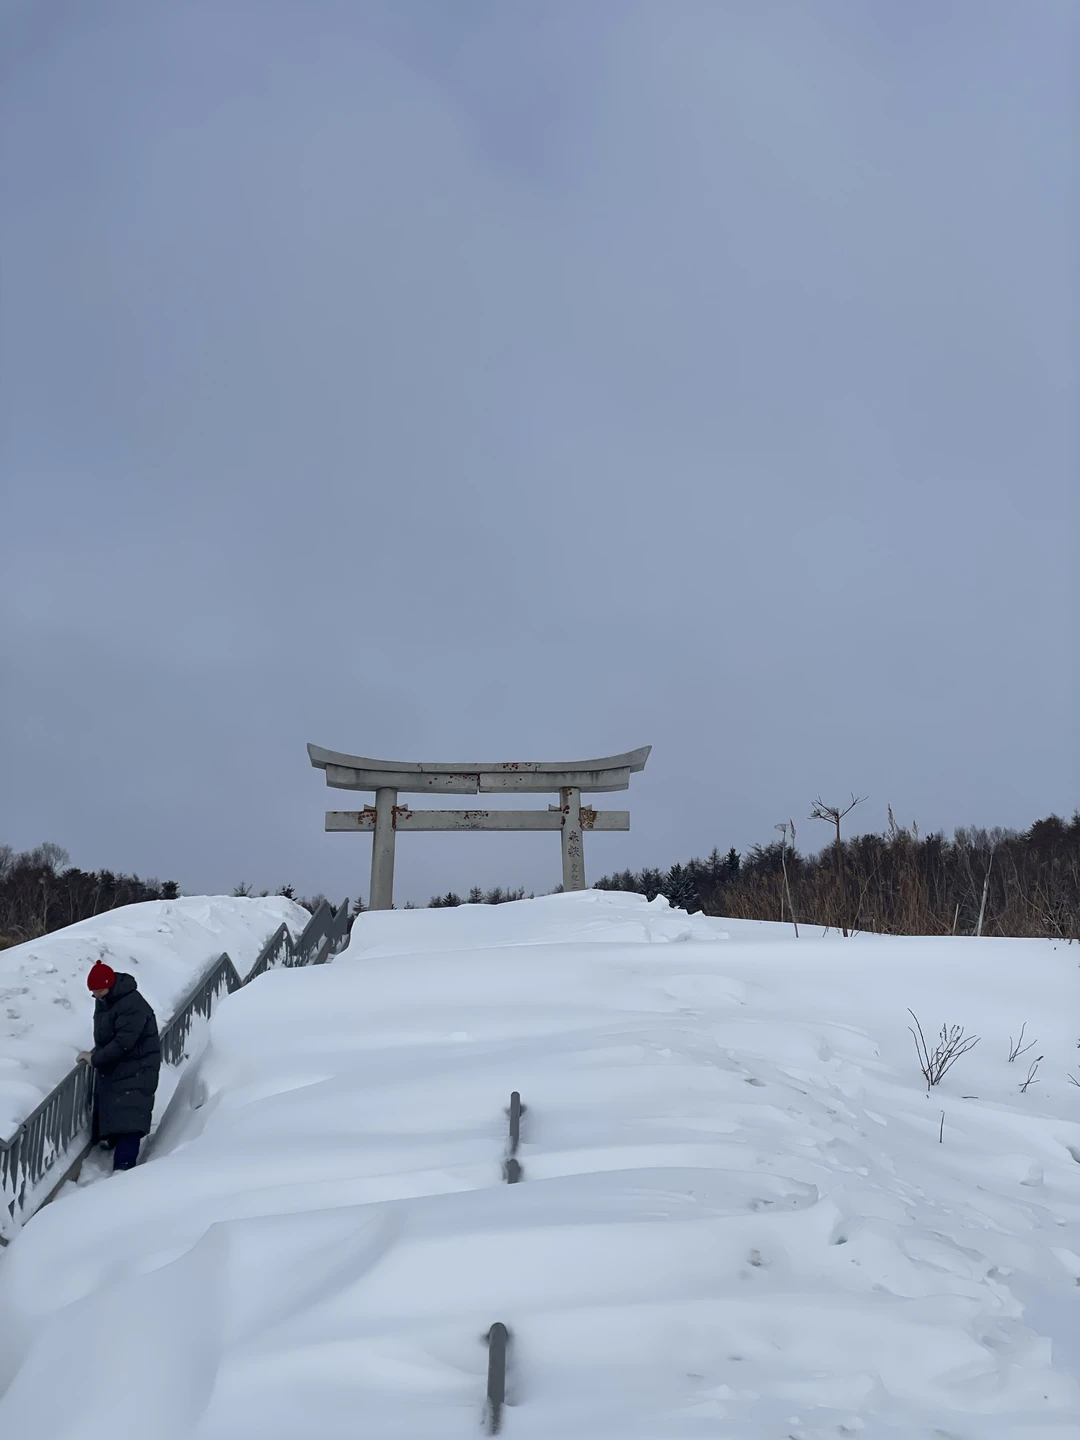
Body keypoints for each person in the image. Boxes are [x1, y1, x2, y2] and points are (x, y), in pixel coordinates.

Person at [77, 961, 161, 1171]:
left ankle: (123, 1170)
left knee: (131, 1116)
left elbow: (124, 1042)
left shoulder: (131, 1004)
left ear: (109, 985)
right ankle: (111, 1139)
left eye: (98, 990)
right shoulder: (107, 1000)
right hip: (121, 1065)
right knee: (117, 1105)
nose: (95, 995)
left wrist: (95, 1059)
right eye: (93, 991)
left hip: (139, 1066)